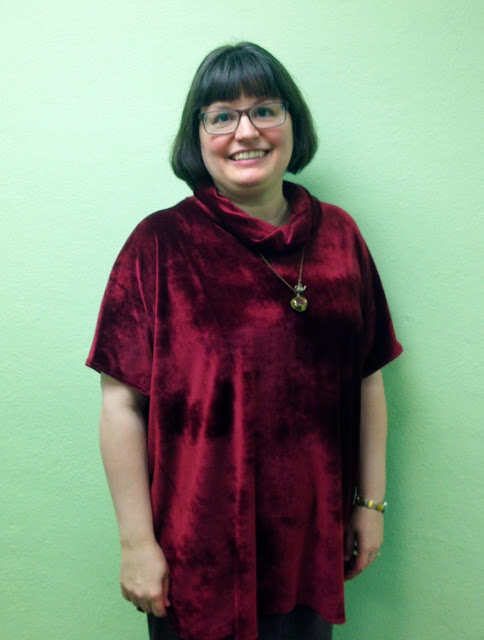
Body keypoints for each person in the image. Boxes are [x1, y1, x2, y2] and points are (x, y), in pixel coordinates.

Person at [86, 42, 402, 640]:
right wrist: (136, 544)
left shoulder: (340, 237)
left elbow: (368, 376)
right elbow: (120, 405)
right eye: (221, 115)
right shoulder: (158, 245)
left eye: (265, 109)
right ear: (197, 136)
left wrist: (372, 504)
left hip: (311, 546)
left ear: (292, 124)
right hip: (194, 555)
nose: (245, 131)